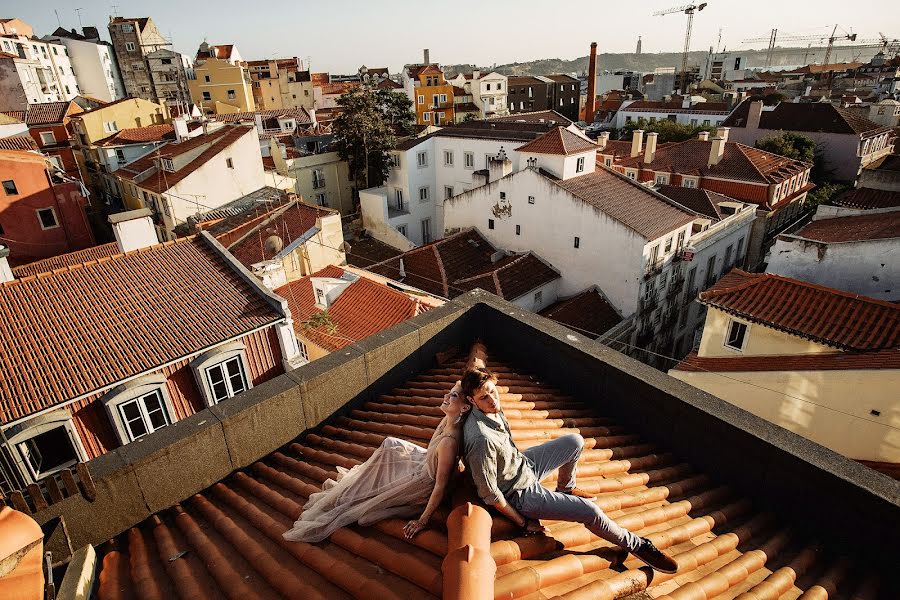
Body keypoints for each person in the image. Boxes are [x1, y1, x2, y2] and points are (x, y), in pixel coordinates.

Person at [460, 366, 679, 574]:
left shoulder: (492, 409)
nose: (492, 399)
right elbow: (489, 493)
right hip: (520, 494)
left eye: (492, 391)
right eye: (484, 397)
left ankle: (566, 487)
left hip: (522, 465)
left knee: (575, 441)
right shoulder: (481, 439)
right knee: (590, 512)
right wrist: (524, 522)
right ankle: (638, 545)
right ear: (471, 400)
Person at [283, 382, 470, 543]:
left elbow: (439, 485)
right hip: (423, 463)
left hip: (421, 483)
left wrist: (422, 521)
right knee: (390, 445)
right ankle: (351, 491)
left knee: (368, 494)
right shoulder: (449, 418)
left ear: (464, 408)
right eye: (449, 392)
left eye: (453, 395)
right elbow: (432, 453)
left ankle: (348, 496)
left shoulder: (449, 442)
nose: (446, 396)